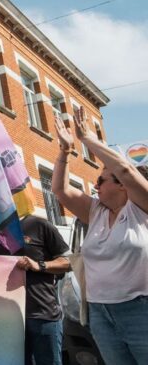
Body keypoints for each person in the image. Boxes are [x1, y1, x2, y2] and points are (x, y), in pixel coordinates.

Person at [52, 108, 148, 365]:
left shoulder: (141, 208)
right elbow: (59, 190)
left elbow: (126, 169)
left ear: (122, 185)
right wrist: (65, 150)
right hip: (100, 313)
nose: (95, 185)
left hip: (140, 311)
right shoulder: (95, 211)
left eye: (101, 180)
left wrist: (87, 139)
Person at [0, 213, 70, 365]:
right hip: (8, 319)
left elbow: (68, 262)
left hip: (43, 316)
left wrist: (39, 265)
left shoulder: (39, 224)